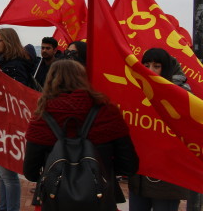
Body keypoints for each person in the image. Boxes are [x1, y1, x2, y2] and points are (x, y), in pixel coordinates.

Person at [23, 60, 139, 211]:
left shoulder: (42, 117)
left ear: (50, 81)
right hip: (100, 201)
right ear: (83, 78)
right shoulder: (108, 113)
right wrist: (102, 172)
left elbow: (30, 172)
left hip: (56, 202)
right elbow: (129, 166)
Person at [128, 48, 189, 211]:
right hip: (140, 173)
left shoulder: (183, 95)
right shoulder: (136, 90)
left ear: (166, 68)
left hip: (167, 176)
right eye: (146, 65)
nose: (150, 70)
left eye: (156, 66)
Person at [0, 27, 32, 211]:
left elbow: (18, 94)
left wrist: (1, 76)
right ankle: (3, 207)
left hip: (9, 126)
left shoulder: (16, 65)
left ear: (8, 42)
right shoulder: (2, 62)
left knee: (8, 174)